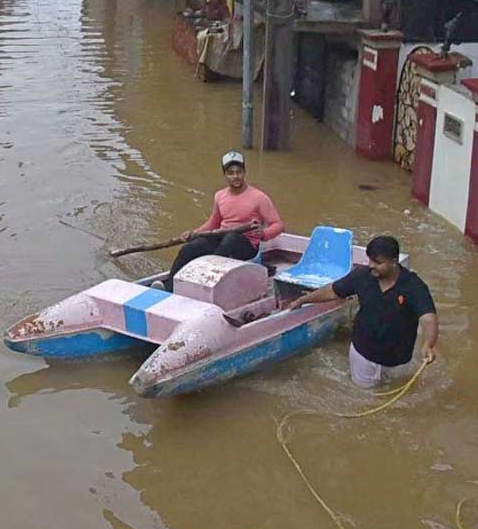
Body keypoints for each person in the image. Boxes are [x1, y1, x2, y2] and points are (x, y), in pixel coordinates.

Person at [284, 235, 438, 388]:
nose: (371, 265)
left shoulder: (414, 286)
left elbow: (428, 317)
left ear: (394, 261)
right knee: (364, 394)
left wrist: (428, 344)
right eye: (370, 260)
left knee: (396, 390)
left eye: (378, 262)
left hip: (399, 359)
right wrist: (302, 300)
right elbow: (333, 291)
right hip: (363, 353)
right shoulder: (362, 276)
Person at [162, 151, 284, 291]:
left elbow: (278, 225)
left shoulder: (259, 197)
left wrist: (264, 233)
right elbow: (213, 223)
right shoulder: (219, 196)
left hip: (247, 246)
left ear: (244, 173)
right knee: (189, 249)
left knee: (230, 239)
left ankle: (204, 284)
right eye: (230, 173)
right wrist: (193, 233)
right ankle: (169, 287)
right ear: (225, 175)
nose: (235, 176)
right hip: (222, 239)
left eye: (239, 172)